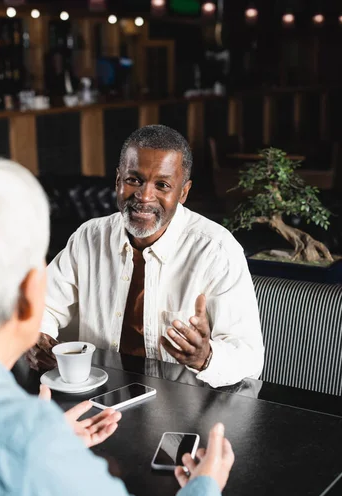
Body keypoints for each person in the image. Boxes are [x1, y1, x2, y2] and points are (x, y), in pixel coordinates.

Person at [0, 156, 235, 496]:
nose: (144, 195)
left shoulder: (216, 247)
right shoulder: (23, 448)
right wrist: (204, 490)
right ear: (29, 296)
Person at [29, 125, 264, 388]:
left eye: (162, 185)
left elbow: (249, 358)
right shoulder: (89, 238)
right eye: (134, 180)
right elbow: (42, 306)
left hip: (185, 407)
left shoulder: (216, 250)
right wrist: (37, 336)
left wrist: (205, 357)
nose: (144, 196)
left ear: (183, 193)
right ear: (118, 180)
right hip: (101, 398)